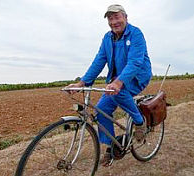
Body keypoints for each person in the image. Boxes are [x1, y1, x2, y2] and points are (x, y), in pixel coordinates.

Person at [65, 4, 152, 166]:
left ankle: (139, 122)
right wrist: (82, 82)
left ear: (125, 17)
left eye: (117, 16)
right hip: (116, 80)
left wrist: (119, 82)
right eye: (110, 18)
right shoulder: (107, 38)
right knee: (101, 110)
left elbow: (135, 61)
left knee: (118, 92)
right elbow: (99, 61)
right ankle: (112, 147)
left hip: (137, 76)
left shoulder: (136, 34)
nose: (114, 21)